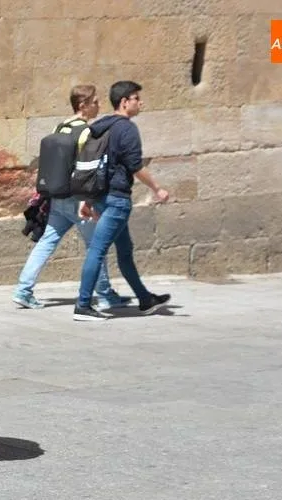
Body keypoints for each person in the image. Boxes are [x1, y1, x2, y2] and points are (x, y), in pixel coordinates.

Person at [12, 84, 131, 311]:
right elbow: (89, 167)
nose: (98, 105)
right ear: (83, 105)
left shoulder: (61, 126)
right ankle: (105, 294)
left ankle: (23, 290)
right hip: (78, 200)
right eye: (95, 102)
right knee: (97, 246)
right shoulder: (86, 132)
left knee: (46, 243)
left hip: (58, 199)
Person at [73, 81, 171, 321]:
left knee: (125, 251)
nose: (141, 103)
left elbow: (93, 164)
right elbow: (135, 166)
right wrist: (157, 188)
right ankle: (83, 305)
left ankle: (145, 299)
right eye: (137, 98)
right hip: (117, 199)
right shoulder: (126, 129)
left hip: (102, 197)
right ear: (124, 102)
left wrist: (88, 199)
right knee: (97, 250)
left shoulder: (101, 126)